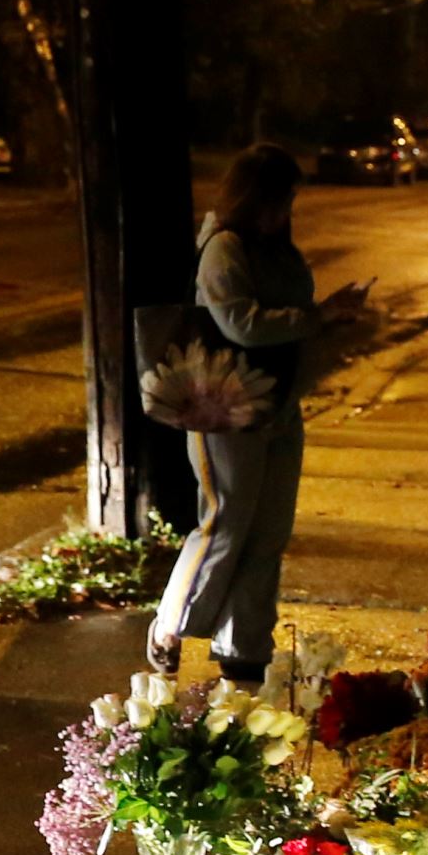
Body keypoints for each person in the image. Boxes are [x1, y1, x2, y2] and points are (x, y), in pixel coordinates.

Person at [149, 141, 351, 687]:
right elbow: (240, 324)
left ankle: (244, 647)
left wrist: (325, 319)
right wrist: (314, 317)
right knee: (226, 521)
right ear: (253, 197)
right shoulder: (225, 247)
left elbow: (287, 318)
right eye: (278, 199)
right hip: (225, 406)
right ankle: (171, 623)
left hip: (279, 404)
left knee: (268, 531)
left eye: (288, 201)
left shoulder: (275, 248)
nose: (283, 211)